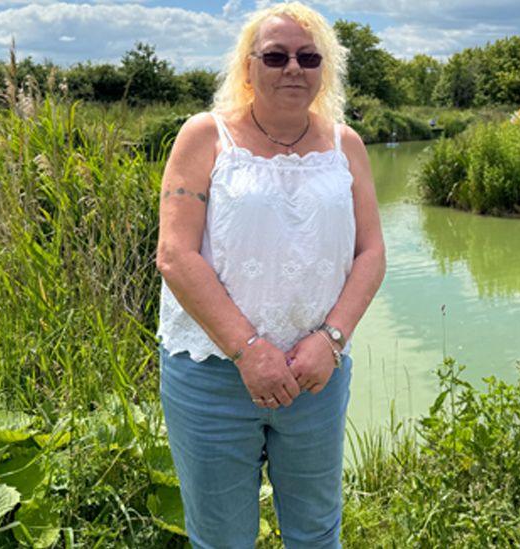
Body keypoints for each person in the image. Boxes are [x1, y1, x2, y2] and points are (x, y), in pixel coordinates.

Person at [153, 2, 385, 547]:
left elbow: (371, 252)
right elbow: (175, 255)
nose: (293, 69)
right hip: (213, 375)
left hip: (316, 376)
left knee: (316, 531)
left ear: (324, 67)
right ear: (248, 66)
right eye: (276, 56)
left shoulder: (345, 144)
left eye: (308, 56)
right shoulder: (204, 136)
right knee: (222, 538)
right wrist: (248, 350)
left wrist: (331, 340)